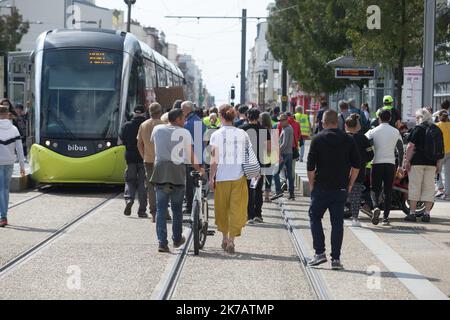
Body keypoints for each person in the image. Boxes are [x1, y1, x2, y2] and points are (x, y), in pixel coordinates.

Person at [307, 110, 360, 270]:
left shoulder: (317, 139)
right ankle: (336, 259)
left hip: (321, 187)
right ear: (338, 123)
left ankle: (319, 253)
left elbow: (310, 167)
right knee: (337, 223)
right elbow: (356, 165)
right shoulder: (348, 139)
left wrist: (311, 185)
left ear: (323, 123)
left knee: (314, 216)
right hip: (340, 188)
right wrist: (350, 184)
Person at [150, 109, 204, 252]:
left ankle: (162, 243)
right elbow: (191, 155)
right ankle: (177, 239)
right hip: (177, 172)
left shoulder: (157, 129)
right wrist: (199, 169)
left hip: (160, 171)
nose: (184, 121)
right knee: (177, 209)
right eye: (183, 119)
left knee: (161, 209)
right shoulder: (184, 133)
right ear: (179, 119)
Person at [209, 104, 249, 254]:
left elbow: (214, 159)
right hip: (238, 176)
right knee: (236, 208)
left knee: (222, 209)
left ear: (220, 116)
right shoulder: (242, 134)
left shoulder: (216, 135)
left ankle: (224, 238)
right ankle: (232, 240)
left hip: (222, 177)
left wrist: (211, 177)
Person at [404, 109, 444, 222]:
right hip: (431, 163)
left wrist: (407, 160)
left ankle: (412, 214)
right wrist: (438, 163)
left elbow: (411, 146)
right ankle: (426, 214)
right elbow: (441, 148)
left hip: (417, 163)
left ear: (420, 118)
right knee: (429, 188)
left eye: (417, 118)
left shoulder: (418, 128)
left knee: (415, 187)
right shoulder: (436, 129)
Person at [365, 109, 403, 226]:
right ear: (390, 118)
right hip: (390, 164)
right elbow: (401, 149)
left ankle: (376, 206)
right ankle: (386, 218)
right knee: (388, 191)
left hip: (376, 163)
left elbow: (364, 143)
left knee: (374, 189)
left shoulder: (373, 131)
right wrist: (400, 166)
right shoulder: (395, 132)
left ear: (379, 118)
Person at [240, 108, 270, 224]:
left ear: (247, 117)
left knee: (247, 189)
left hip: (245, 164)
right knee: (257, 189)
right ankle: (258, 214)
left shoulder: (242, 129)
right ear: (258, 118)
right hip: (259, 164)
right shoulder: (264, 130)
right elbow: (268, 149)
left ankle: (249, 215)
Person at [137, 102, 165, 222]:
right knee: (164, 186)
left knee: (151, 187)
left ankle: (154, 213)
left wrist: (144, 155)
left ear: (149, 112)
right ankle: (164, 211)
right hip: (163, 160)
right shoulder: (164, 125)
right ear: (160, 112)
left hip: (148, 160)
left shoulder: (143, 125)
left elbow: (139, 143)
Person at [345, 114, 374, 227]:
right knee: (356, 195)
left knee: (341, 193)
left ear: (346, 125)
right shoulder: (363, 138)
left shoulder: (342, 137)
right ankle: (355, 219)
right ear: (357, 126)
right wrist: (363, 161)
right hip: (359, 170)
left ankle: (338, 216)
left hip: (343, 170)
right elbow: (371, 154)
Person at [120, 105, 148, 218]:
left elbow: (122, 139)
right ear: (144, 113)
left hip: (130, 158)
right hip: (144, 158)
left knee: (130, 180)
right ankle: (142, 211)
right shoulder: (146, 125)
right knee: (142, 184)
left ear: (134, 113)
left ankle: (129, 199)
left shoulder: (127, 125)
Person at [0, 106, 26, 227]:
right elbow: (19, 149)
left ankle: (2, 216)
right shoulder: (14, 129)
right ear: (7, 114)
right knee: (5, 189)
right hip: (10, 162)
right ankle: (4, 215)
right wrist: (22, 165)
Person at [182, 101, 206, 216]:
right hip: (201, 156)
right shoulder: (200, 122)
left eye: (182, 110)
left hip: (190, 157)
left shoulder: (186, 124)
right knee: (198, 183)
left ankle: (190, 206)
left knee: (189, 183)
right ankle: (199, 205)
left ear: (186, 110)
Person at [271, 114, 296, 201]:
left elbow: (284, 144)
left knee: (275, 172)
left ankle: (278, 191)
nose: (280, 122)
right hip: (289, 153)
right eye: (279, 121)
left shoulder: (286, 129)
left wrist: (278, 151)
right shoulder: (288, 128)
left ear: (286, 120)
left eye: (281, 121)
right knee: (289, 174)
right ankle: (291, 194)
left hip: (285, 154)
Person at [260, 112, 274, 202]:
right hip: (270, 154)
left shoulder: (259, 129)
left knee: (260, 174)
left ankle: (259, 193)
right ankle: (267, 196)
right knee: (269, 175)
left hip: (261, 154)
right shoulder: (272, 130)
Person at [436, 110, 450, 200]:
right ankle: (447, 194)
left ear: (440, 116)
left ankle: (440, 189)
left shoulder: (437, 126)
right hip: (449, 151)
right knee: (448, 173)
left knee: (437, 171)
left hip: (440, 152)